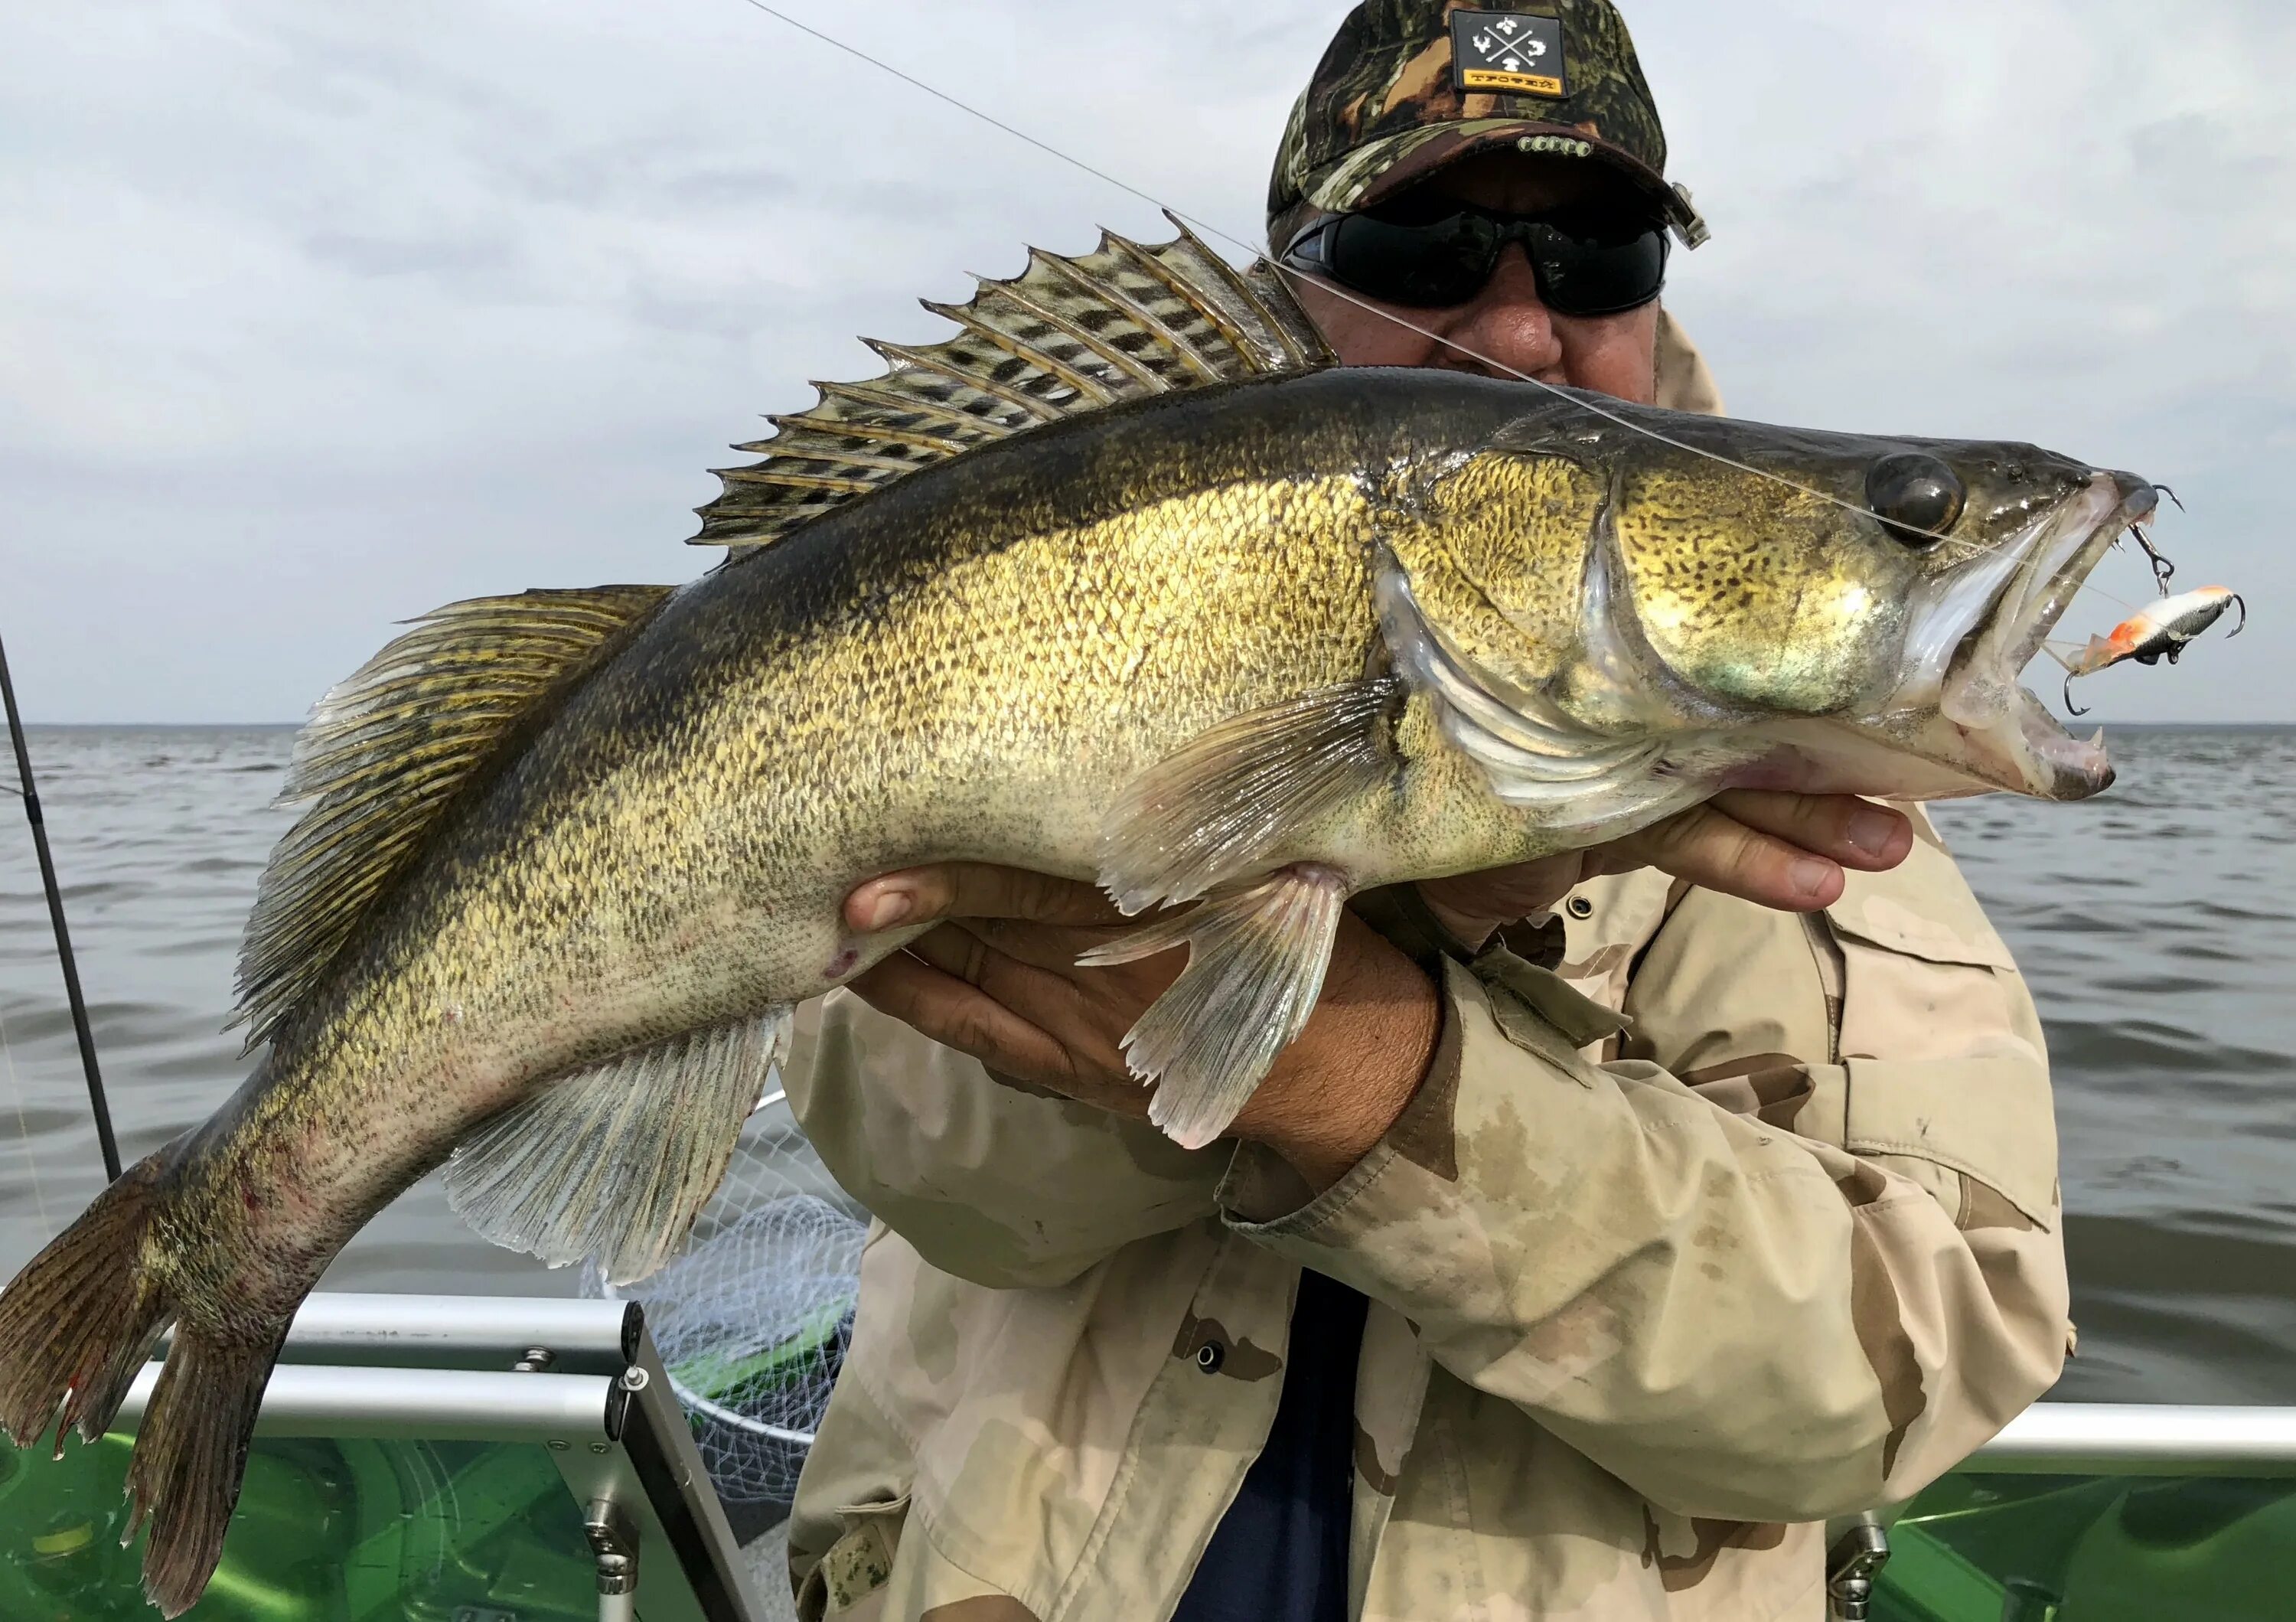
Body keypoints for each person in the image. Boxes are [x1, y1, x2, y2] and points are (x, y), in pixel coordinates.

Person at [781, 3, 2071, 1617]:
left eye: (1598, 252)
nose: (1526, 328)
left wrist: (1374, 1078)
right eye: (1419, 241)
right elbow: (925, 1166)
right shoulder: (1037, 613)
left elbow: (1905, 1369)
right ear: (1288, 284)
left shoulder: (1801, 819)